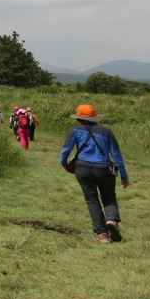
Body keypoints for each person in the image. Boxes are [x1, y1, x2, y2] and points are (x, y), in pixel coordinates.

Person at [60, 103, 130, 243]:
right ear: (94, 118)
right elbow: (116, 155)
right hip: (104, 169)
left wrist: (66, 165)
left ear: (78, 118)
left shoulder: (74, 131)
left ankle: (102, 235)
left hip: (82, 168)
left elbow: (65, 151)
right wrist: (123, 176)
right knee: (109, 197)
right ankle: (111, 222)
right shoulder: (106, 132)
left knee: (92, 200)